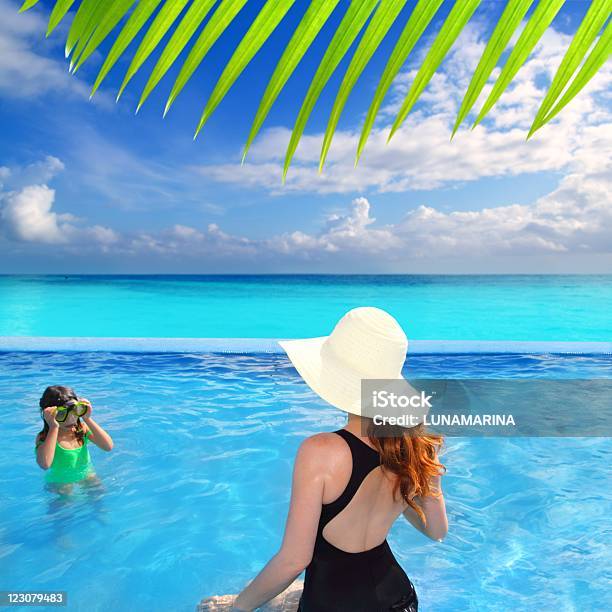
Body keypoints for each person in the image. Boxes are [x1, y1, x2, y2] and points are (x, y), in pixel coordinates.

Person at [200, 307, 448, 611]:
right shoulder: (415, 446)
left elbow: (294, 559)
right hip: (401, 599)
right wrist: (404, 487)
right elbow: (437, 531)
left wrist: (237, 608)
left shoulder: (321, 451)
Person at [35, 385, 114, 494]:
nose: (70, 419)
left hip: (86, 474)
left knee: (99, 494)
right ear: (49, 415)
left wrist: (87, 418)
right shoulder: (45, 437)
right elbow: (44, 465)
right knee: (65, 503)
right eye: (61, 414)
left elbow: (108, 447)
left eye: (75, 411)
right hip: (61, 481)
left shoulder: (81, 429)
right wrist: (54, 427)